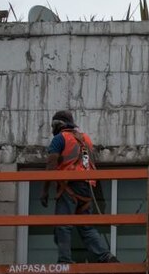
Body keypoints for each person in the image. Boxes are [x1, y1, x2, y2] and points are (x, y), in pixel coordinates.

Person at [40, 110, 118, 264]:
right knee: (87, 227)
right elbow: (86, 163)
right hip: (87, 187)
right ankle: (105, 257)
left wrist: (45, 190)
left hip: (69, 186)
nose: (52, 129)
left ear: (58, 125)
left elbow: (51, 164)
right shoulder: (85, 139)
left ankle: (64, 261)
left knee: (63, 225)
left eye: (53, 126)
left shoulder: (59, 139)